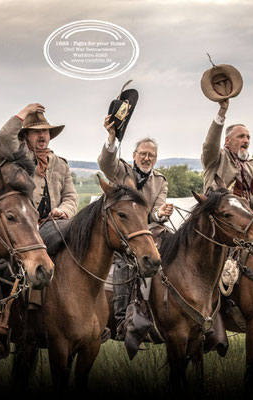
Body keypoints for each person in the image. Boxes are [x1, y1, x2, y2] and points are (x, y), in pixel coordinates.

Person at [100, 115, 173, 340]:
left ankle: (162, 314)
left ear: (156, 159)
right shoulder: (121, 171)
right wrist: (112, 138)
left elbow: (156, 210)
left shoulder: (160, 181)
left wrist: (161, 214)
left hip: (147, 230)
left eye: (151, 155)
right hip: (120, 228)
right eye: (142, 153)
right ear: (134, 156)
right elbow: (105, 163)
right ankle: (123, 319)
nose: (146, 157)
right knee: (125, 260)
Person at [0, 103, 78, 220]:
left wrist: (63, 211)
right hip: (22, 223)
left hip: (53, 224)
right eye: (36, 131)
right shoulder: (18, 155)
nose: (42, 135)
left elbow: (70, 196)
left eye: (45, 131)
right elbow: (5, 137)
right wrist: (25, 111)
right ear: (26, 135)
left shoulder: (60, 164)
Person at [201, 99, 253, 218]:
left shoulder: (252, 165)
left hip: (249, 222)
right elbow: (210, 145)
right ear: (227, 140)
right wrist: (222, 112)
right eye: (241, 136)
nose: (246, 141)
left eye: (248, 137)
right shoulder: (217, 158)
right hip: (221, 220)